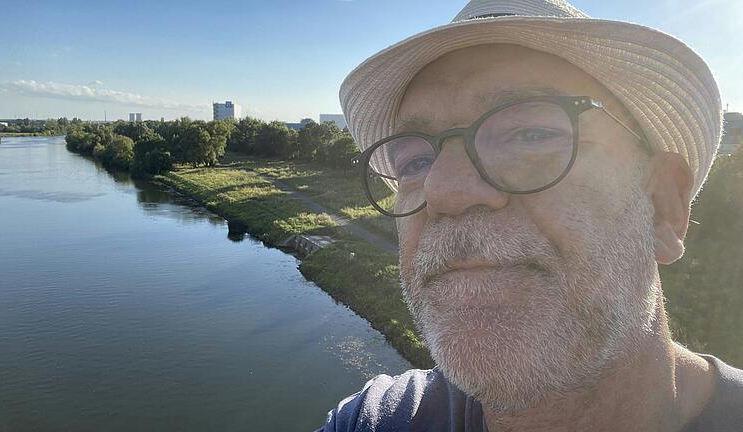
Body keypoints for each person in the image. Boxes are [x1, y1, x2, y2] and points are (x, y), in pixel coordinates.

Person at [317, 1, 743, 431]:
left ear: (664, 208)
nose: (443, 192)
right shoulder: (375, 419)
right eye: (414, 162)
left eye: (531, 134)